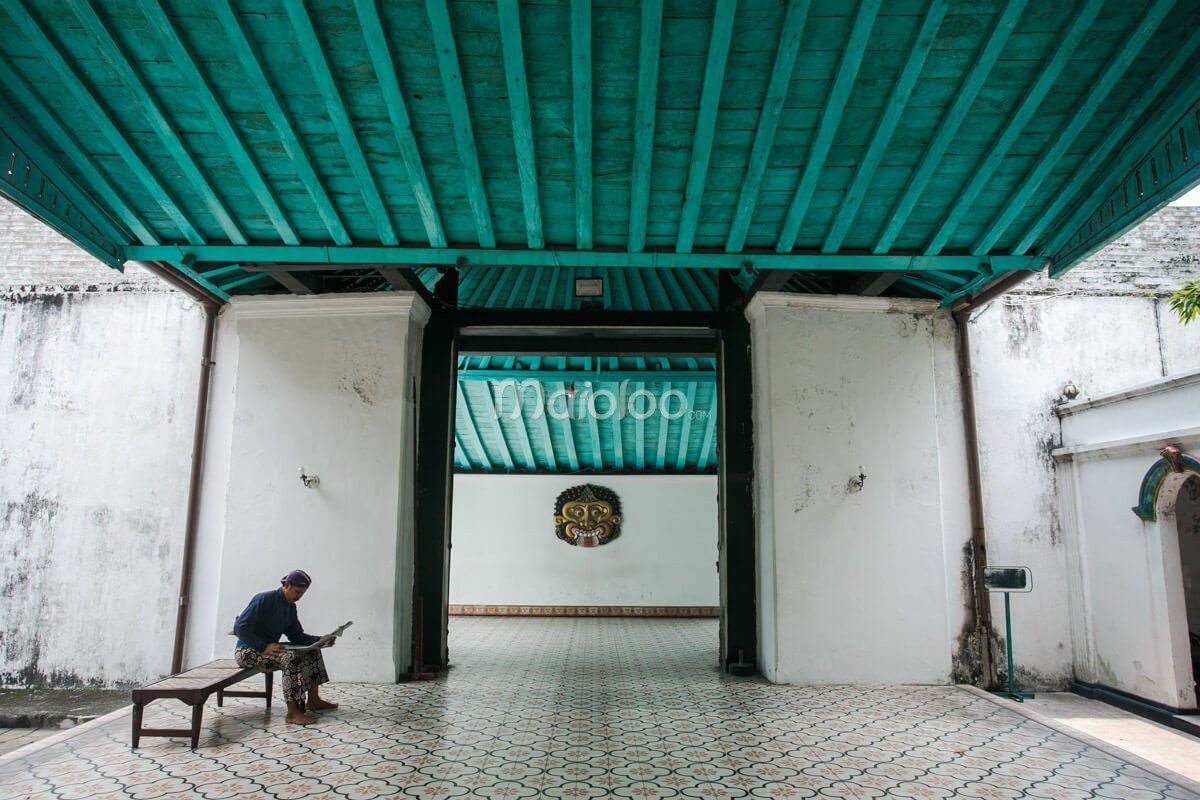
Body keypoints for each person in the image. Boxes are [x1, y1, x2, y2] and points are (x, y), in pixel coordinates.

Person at [233, 569, 338, 725]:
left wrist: (320, 640)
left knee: (312, 651)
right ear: (287, 585)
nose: (299, 597)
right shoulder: (263, 599)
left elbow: (297, 636)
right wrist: (263, 647)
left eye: (302, 594)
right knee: (290, 659)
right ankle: (292, 712)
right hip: (247, 651)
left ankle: (314, 700)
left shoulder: (290, 608)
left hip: (269, 649)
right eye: (297, 592)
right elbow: (240, 627)